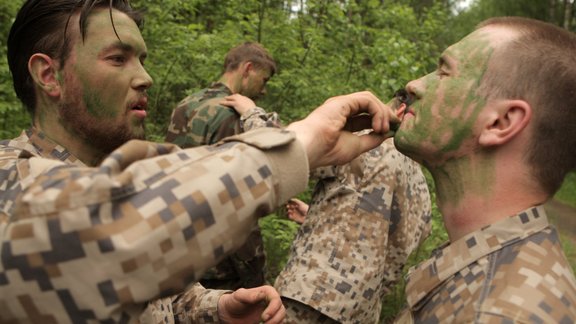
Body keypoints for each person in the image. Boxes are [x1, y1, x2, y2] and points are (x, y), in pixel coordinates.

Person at [0, 0, 399, 322]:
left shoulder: (123, 169)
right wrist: (299, 142)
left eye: (141, 58)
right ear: (48, 76)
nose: (145, 77)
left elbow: (147, 288)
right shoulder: (9, 176)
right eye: (118, 59)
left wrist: (213, 308)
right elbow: (112, 236)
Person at [391, 16, 576, 322]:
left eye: (444, 71)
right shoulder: (490, 267)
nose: (415, 85)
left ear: (501, 122)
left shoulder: (499, 313)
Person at [273, 95, 432, 323]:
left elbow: (288, 157)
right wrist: (316, 215)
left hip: (311, 295)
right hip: (361, 312)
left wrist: (251, 115)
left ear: (399, 111)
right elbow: (387, 243)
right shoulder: (421, 188)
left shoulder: (361, 146)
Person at [165, 42, 279, 291]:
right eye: (264, 80)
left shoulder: (185, 105)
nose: (264, 91)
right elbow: (238, 204)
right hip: (219, 267)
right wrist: (255, 276)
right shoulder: (232, 117)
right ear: (247, 69)